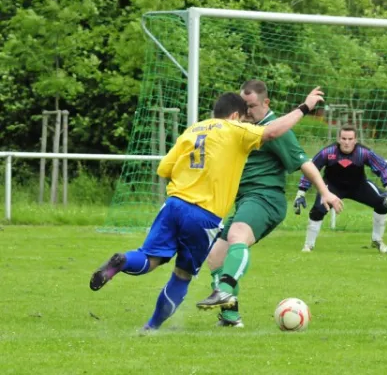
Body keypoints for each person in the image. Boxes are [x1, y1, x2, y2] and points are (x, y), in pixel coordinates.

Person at [88, 89, 323, 331]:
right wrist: (305, 107)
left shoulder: (193, 129)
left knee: (150, 258)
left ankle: (123, 261)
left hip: (173, 204)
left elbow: (164, 169)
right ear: (234, 116)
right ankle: (151, 327)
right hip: (203, 215)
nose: (245, 123)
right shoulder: (234, 129)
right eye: (243, 119)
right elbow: (272, 131)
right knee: (182, 275)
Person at [195, 80, 343, 327]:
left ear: (266, 103)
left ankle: (225, 290)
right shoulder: (246, 129)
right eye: (244, 106)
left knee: (237, 235)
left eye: (251, 106)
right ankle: (231, 317)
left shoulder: (274, 129)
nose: (247, 112)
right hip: (245, 201)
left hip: (265, 198)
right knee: (215, 258)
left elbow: (303, 161)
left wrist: (325, 192)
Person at [294, 124, 387, 254]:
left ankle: (377, 240)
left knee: (383, 202)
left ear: (355, 140)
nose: (347, 142)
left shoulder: (363, 153)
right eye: (344, 138)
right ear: (339, 139)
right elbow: (311, 170)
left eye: (350, 139)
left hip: (359, 186)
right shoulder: (328, 152)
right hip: (332, 188)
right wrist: (301, 192)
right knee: (318, 210)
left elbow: (383, 167)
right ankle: (308, 246)